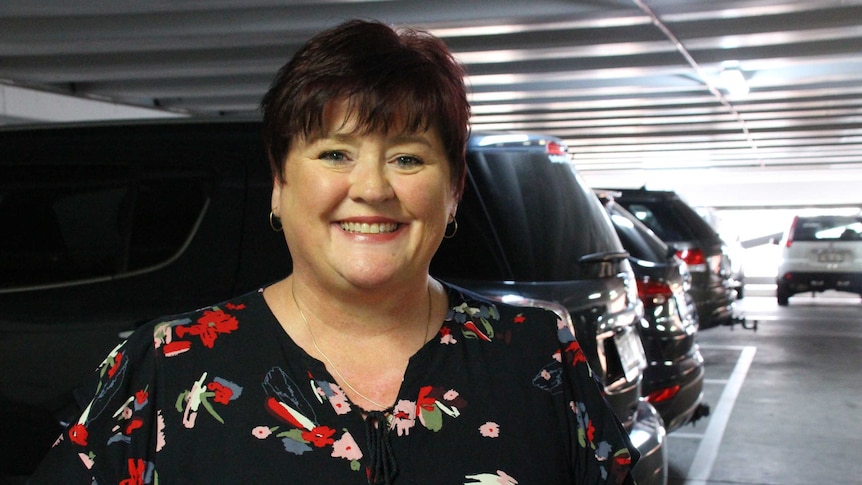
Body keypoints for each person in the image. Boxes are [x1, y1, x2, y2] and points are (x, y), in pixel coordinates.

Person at [30, 19, 637, 484]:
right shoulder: (164, 368)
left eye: (408, 157)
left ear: (452, 193)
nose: (372, 189)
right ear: (279, 182)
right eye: (334, 154)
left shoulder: (536, 354)